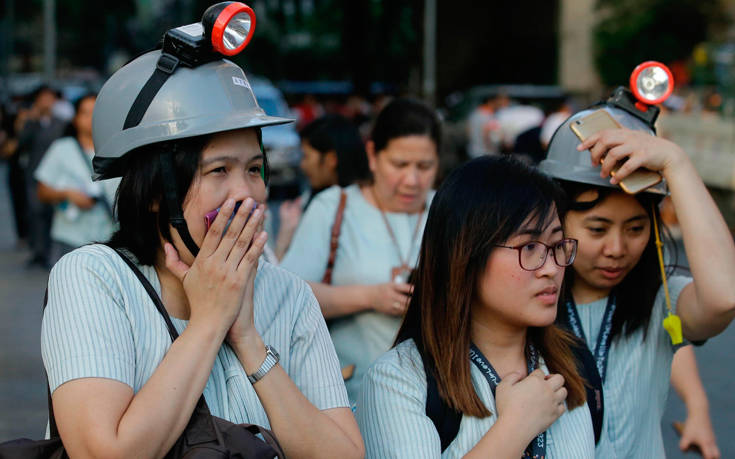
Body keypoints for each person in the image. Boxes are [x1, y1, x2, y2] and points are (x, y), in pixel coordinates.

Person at [40, 40, 363, 458]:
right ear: (157, 190)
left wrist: (248, 340)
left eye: (253, 169)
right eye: (219, 171)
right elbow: (104, 452)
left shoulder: (290, 295)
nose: (246, 194)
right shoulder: (94, 278)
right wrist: (209, 321)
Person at [357, 156, 594, 458]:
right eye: (530, 247)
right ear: (466, 255)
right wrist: (516, 427)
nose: (551, 268)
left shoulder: (571, 362)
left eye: (557, 245)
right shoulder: (399, 380)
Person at [540, 101, 735, 458]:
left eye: (636, 228)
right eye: (597, 229)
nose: (617, 248)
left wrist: (677, 164)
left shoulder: (660, 301)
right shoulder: (523, 300)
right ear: (556, 222)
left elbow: (725, 296)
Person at [281, 98, 440, 402]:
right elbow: (287, 293)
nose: (412, 180)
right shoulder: (335, 206)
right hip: (349, 394)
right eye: (400, 165)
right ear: (372, 155)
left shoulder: (448, 209)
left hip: (433, 397)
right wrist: (369, 297)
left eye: (424, 166)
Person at [35, 93, 120, 264]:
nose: (90, 118)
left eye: (95, 113)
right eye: (85, 113)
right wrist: (67, 194)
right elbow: (42, 191)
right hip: (71, 238)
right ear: (76, 119)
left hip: (112, 239)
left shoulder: (118, 149)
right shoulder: (62, 149)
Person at [273, 114, 371, 260]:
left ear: (331, 159)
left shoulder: (324, 205)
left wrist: (284, 238)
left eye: (306, 156)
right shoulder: (371, 201)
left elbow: (290, 274)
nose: (303, 165)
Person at [15, 85, 67, 267]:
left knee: (53, 214)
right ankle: (39, 252)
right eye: (43, 98)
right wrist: (29, 120)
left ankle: (52, 252)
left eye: (49, 98)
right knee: (35, 212)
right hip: (35, 174)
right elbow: (20, 143)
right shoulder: (31, 122)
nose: (46, 102)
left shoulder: (61, 123)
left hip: (57, 175)